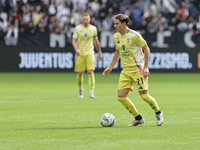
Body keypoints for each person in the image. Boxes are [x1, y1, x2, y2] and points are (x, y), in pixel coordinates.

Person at [102, 14, 163, 126]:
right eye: (114, 23)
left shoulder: (135, 35)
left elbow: (146, 49)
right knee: (121, 97)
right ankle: (138, 118)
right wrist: (110, 67)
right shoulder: (116, 36)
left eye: (117, 23)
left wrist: (145, 67)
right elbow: (117, 52)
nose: (114, 25)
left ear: (124, 24)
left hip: (137, 70)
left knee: (144, 96)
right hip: (125, 71)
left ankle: (158, 112)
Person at [72, 12, 102, 98]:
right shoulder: (78, 28)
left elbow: (96, 42)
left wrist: (99, 52)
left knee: (90, 71)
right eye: (84, 19)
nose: (86, 21)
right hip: (80, 53)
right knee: (80, 73)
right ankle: (80, 90)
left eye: (87, 19)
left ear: (90, 20)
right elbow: (74, 40)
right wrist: (76, 49)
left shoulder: (93, 29)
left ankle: (91, 92)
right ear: (82, 20)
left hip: (90, 52)